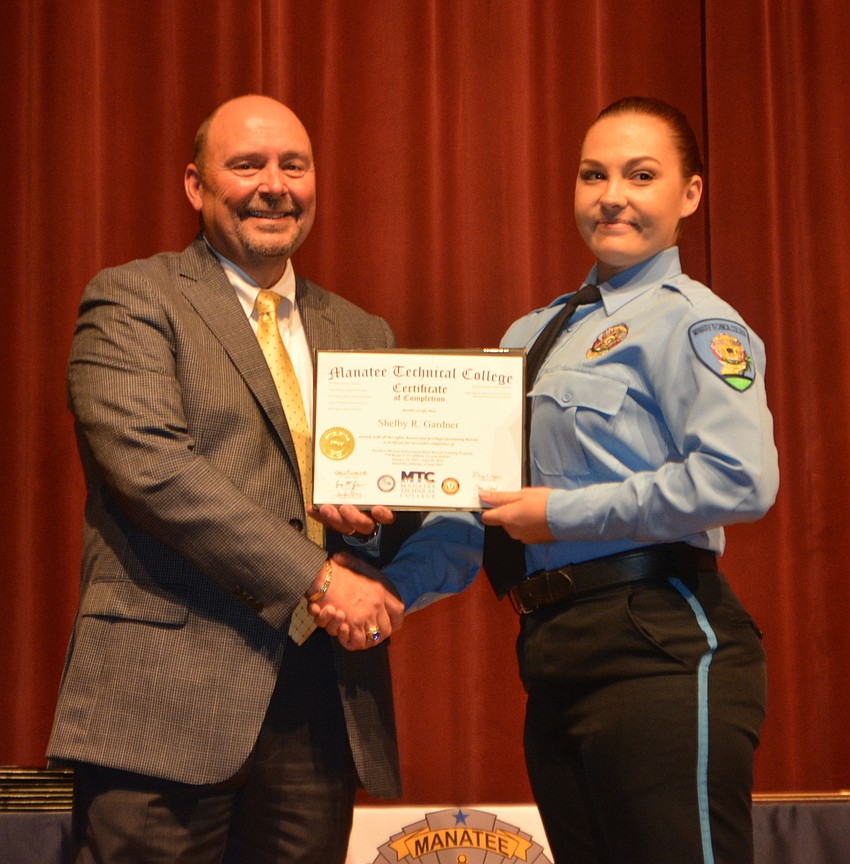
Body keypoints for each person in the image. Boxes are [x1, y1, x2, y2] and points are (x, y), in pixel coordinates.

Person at [314, 97, 779, 864]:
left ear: (690, 194)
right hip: (555, 649)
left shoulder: (696, 323)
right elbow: (483, 511)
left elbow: (739, 480)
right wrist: (392, 589)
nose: (613, 195)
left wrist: (562, 513)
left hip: (660, 642)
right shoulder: (531, 336)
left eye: (641, 175)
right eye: (594, 174)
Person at [47, 94, 413, 864]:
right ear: (195, 185)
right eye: (247, 165)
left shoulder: (362, 332)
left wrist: (391, 523)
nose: (273, 185)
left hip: (319, 710)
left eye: (293, 165)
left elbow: (389, 498)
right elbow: (154, 470)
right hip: (165, 708)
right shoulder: (133, 300)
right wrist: (318, 580)